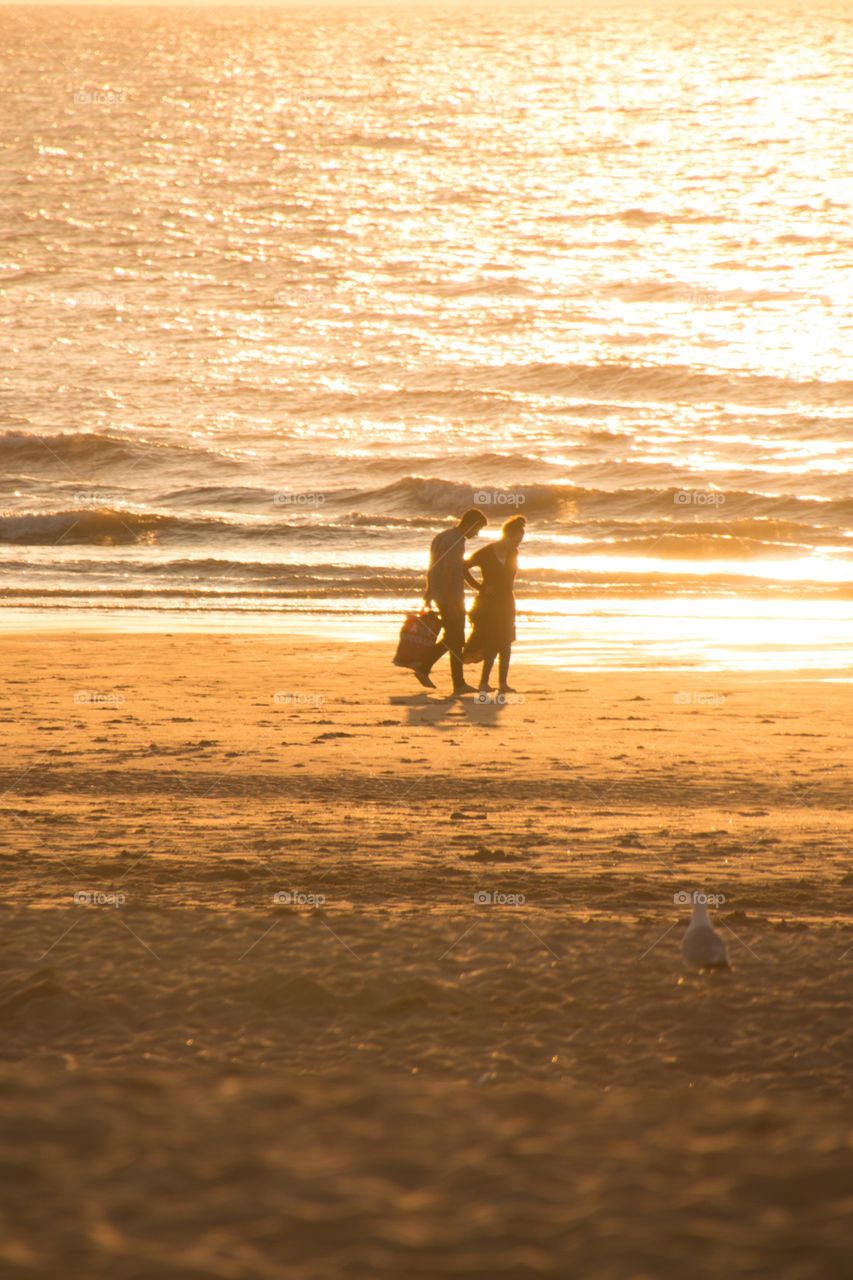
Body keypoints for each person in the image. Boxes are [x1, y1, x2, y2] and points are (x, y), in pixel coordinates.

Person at [416, 507, 487, 694]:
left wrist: (429, 593)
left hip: (441, 595)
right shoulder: (457, 541)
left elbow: (432, 567)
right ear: (471, 524)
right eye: (477, 529)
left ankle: (458, 684)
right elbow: (448, 572)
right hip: (451, 597)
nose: (477, 534)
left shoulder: (442, 536)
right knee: (454, 638)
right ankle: (423, 666)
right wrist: (452, 603)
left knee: (455, 640)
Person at [463, 514, 526, 694]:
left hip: (506, 602)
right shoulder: (487, 552)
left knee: (505, 642)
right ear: (508, 535)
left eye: (520, 541)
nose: (518, 544)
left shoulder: (514, 552)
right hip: (489, 604)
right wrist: (480, 587)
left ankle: (503, 683)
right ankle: (483, 683)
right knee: (491, 643)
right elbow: (463, 567)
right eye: (517, 539)